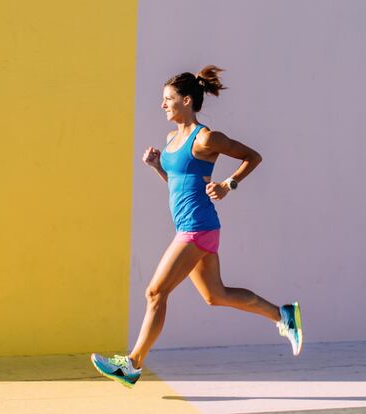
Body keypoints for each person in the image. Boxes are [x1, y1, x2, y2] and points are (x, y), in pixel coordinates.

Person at [91, 65, 303, 388]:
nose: (162, 105)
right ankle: (283, 314)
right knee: (215, 295)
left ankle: (132, 364)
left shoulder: (205, 138)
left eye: (168, 99)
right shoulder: (171, 139)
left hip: (198, 226)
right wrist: (155, 167)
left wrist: (228, 184)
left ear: (187, 100)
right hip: (190, 227)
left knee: (155, 292)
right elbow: (178, 184)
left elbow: (252, 156)